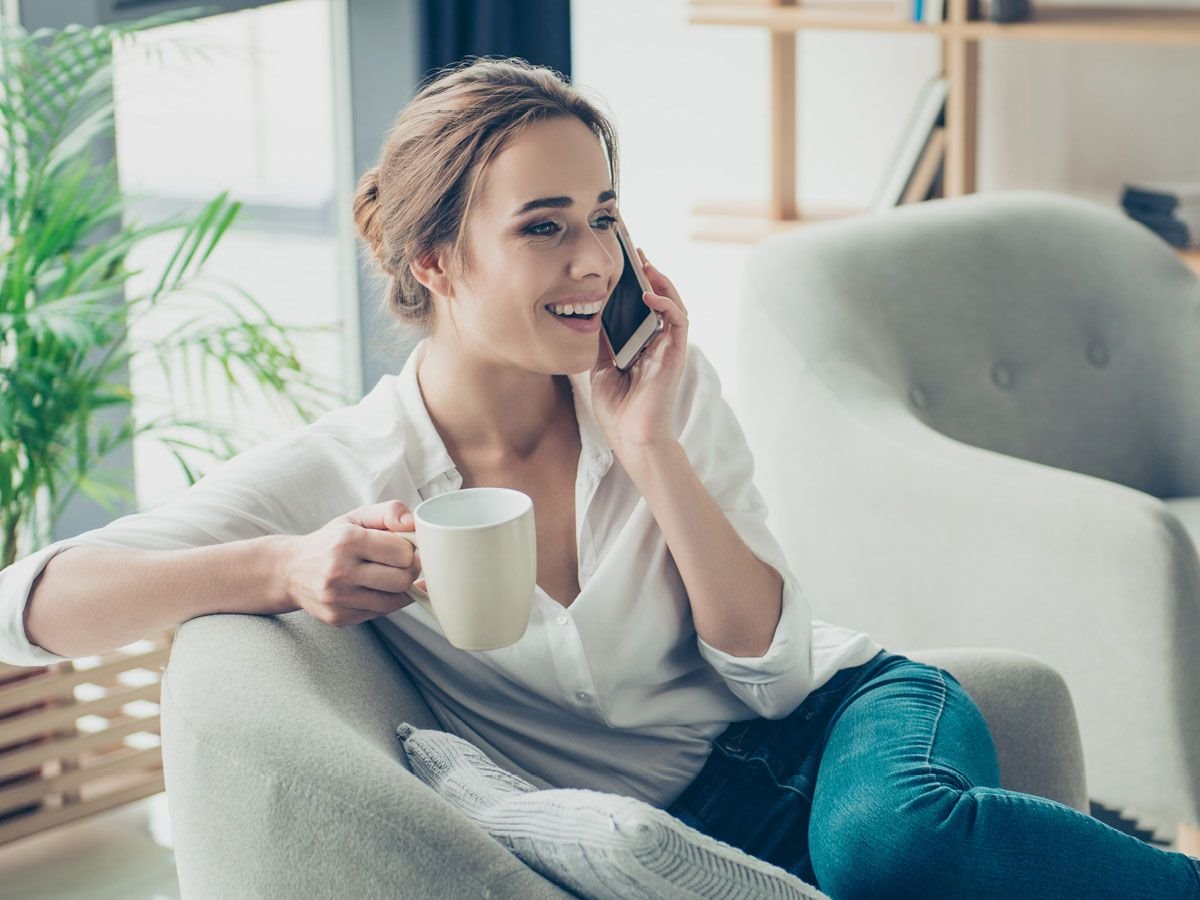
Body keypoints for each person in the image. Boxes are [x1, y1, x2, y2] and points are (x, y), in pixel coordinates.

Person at [2, 56, 1197, 899]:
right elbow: (25, 607)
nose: (594, 260)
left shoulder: (658, 385)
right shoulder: (349, 468)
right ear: (436, 258)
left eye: (605, 216)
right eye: (544, 227)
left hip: (850, 720)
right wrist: (283, 564)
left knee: (896, 850)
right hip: (684, 825)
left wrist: (652, 449)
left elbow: (776, 666)